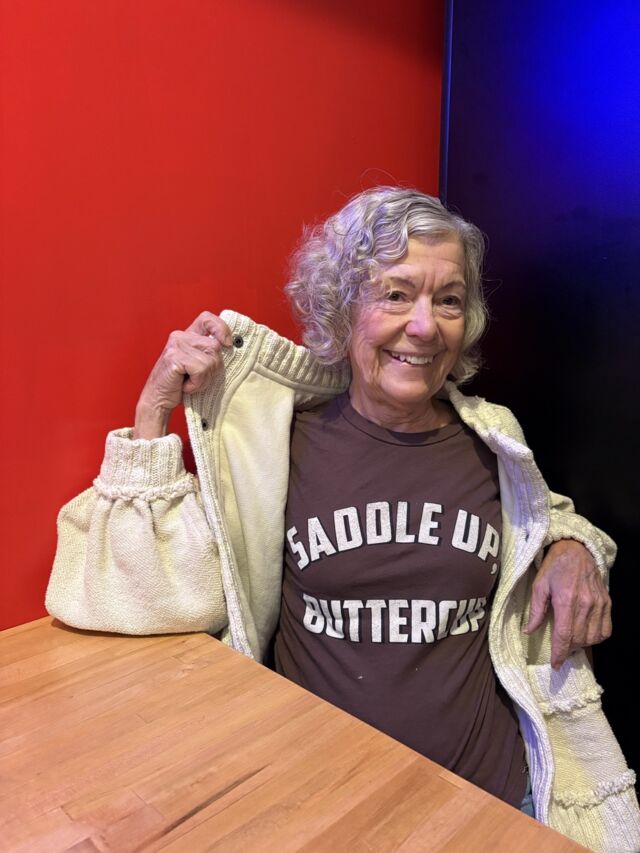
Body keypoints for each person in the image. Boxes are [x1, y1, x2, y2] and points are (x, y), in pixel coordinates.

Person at [46, 187, 640, 851]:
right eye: (396, 294)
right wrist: (154, 407)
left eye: (448, 300)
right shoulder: (274, 446)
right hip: (324, 813)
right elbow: (138, 598)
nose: (426, 326)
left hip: (495, 805)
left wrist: (570, 545)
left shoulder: (493, 438)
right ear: (340, 306)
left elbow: (542, 519)